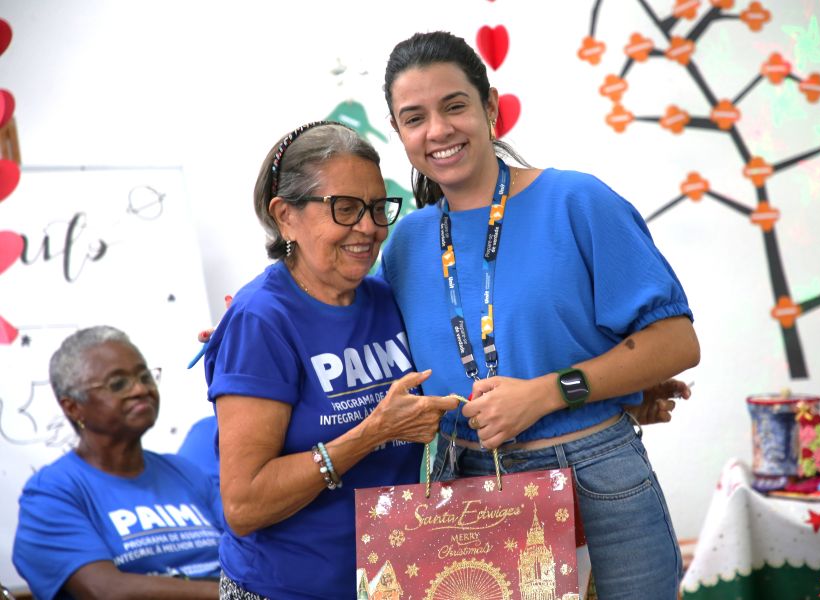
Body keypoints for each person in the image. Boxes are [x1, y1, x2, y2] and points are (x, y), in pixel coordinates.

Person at [380, 31, 701, 599]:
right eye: (415, 118)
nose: (438, 130)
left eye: (454, 106)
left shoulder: (577, 201)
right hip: (464, 483)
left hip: (595, 473)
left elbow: (676, 342)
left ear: (490, 108)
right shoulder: (404, 244)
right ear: (399, 132)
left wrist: (549, 392)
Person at [202, 121, 461, 599]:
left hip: (391, 583)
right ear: (285, 216)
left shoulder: (388, 299)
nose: (369, 227)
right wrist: (372, 433)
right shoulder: (261, 320)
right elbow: (243, 505)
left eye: (377, 207)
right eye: (345, 208)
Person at [12, 326, 222, 600]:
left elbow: (249, 555)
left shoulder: (186, 473)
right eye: (118, 384)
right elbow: (107, 591)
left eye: (145, 376)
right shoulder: (50, 494)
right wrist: (235, 595)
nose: (141, 389)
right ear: (73, 407)